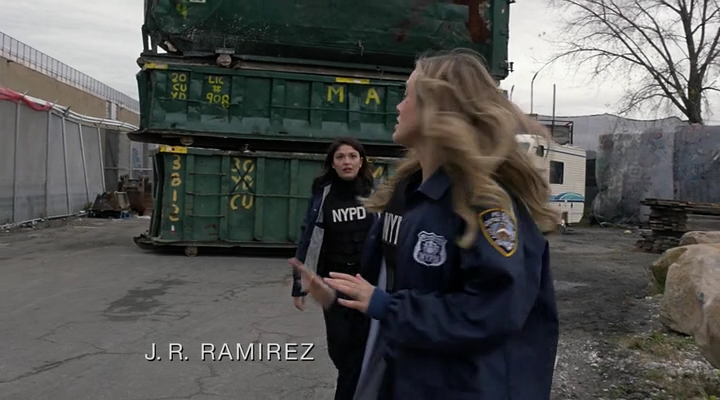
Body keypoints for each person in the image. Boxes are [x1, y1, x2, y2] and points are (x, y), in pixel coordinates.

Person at [297, 48, 562, 399]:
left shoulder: (485, 203)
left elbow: (491, 313)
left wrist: (386, 306)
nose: (398, 107)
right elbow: (387, 293)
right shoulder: (404, 196)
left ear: (437, 108)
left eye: (407, 95)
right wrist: (340, 302)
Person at [289, 136, 377, 400]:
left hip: (367, 285)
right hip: (334, 286)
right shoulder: (323, 195)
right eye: (340, 157)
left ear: (361, 161)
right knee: (340, 350)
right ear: (333, 163)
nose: (346, 161)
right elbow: (310, 239)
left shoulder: (377, 193)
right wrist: (300, 286)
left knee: (361, 351)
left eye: (352, 156)